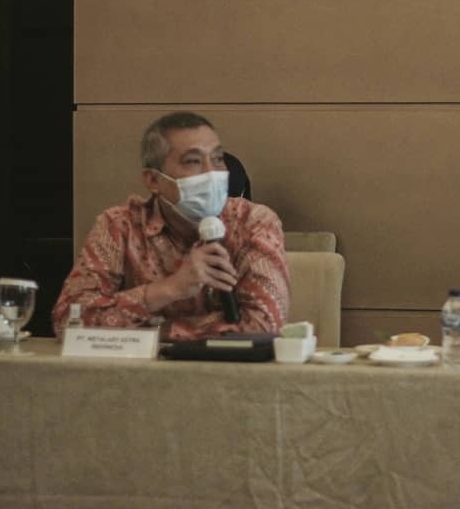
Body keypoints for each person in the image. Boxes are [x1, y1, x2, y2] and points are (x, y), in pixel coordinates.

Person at [51, 112, 289, 340]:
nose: (211, 173)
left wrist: (155, 330)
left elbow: (263, 325)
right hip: (134, 369)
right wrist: (170, 288)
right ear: (154, 180)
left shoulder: (253, 222)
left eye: (217, 159)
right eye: (193, 161)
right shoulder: (119, 226)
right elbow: (69, 320)